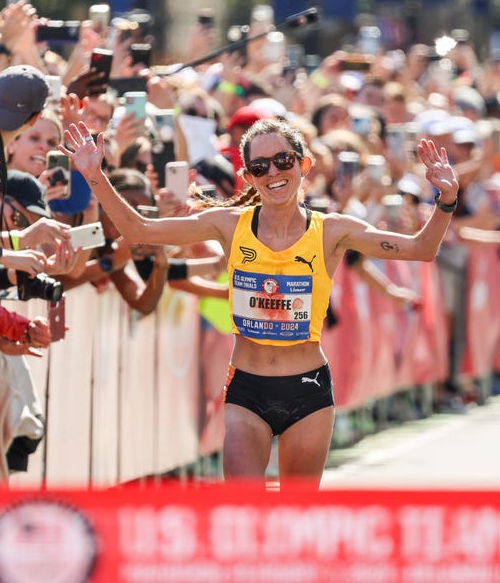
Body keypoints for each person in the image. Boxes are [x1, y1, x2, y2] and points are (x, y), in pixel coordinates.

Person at [63, 117, 459, 489]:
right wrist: (94, 176)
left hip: (308, 391)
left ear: (304, 165)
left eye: (283, 161)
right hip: (247, 391)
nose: (273, 174)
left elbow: (421, 249)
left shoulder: (333, 231)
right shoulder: (229, 224)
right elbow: (139, 230)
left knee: (294, 513)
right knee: (243, 508)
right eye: (260, 167)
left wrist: (445, 201)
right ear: (248, 176)